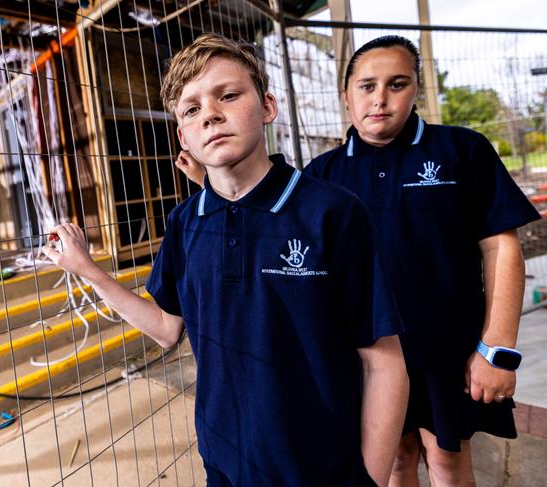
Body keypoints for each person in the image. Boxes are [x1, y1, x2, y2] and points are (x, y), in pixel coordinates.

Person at [44, 33, 409, 487]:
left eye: (228, 95)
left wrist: (369, 481)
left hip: (322, 467)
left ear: (268, 106)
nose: (210, 114)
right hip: (225, 462)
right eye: (192, 109)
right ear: (183, 135)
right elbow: (164, 328)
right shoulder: (185, 223)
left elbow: (384, 362)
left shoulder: (331, 212)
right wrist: (87, 270)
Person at [176, 35, 540, 486]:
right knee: (394, 461)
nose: (380, 99)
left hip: (443, 349)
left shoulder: (460, 151)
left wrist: (497, 348)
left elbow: (500, 247)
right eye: (366, 86)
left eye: (397, 84)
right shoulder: (322, 175)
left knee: (446, 459)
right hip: (363, 355)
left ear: (417, 90)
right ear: (346, 96)